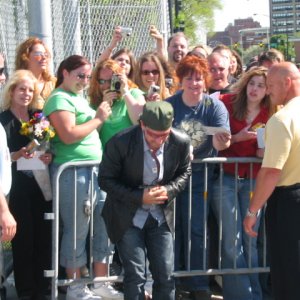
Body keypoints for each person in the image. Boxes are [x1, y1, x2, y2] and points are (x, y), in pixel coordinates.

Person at [44, 55, 121, 300]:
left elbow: (87, 132)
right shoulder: (59, 98)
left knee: (103, 225)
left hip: (95, 169)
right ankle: (75, 287)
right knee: (76, 229)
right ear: (64, 73)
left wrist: (99, 116)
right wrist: (98, 118)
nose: (85, 81)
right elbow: (67, 135)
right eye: (80, 76)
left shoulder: (79, 98)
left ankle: (100, 281)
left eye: (88, 77)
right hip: (73, 172)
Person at [99, 101, 192, 300]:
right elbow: (105, 180)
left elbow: (185, 172)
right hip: (127, 216)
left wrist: (168, 190)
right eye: (152, 135)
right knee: (135, 275)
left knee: (165, 274)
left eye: (164, 135)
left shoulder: (181, 141)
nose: (158, 140)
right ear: (142, 125)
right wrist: (139, 197)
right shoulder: (120, 142)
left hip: (160, 216)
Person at [166, 55, 231, 299]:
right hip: (172, 177)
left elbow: (221, 144)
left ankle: (198, 283)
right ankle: (172, 278)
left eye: (199, 78)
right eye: (189, 78)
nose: (195, 83)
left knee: (196, 228)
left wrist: (221, 141)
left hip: (201, 177)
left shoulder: (215, 106)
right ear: (180, 81)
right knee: (172, 228)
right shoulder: (170, 104)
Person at [211, 67, 275, 300]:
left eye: (261, 85)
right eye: (252, 83)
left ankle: (254, 294)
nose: (255, 89)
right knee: (231, 241)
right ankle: (242, 295)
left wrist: (263, 152)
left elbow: (269, 151)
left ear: (268, 90)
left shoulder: (270, 113)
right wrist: (236, 138)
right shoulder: (228, 103)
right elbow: (210, 108)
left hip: (253, 182)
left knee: (250, 240)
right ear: (245, 84)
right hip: (226, 179)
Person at [243, 62, 300, 300]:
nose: (268, 91)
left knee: (288, 272)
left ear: (287, 82)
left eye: (271, 85)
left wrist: (252, 210)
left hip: (289, 202)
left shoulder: (282, 119)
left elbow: (271, 172)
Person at [0, 69, 52, 300]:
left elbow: (45, 146)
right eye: (22, 89)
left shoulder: (37, 117)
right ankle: (26, 291)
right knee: (23, 240)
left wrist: (47, 156)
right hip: (16, 189)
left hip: (39, 186)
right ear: (11, 91)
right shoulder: (3, 121)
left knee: (43, 237)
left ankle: (43, 288)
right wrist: (16, 155)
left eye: (30, 90)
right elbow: (3, 158)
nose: (26, 94)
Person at [89, 58, 145, 147]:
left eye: (111, 80)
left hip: (130, 155)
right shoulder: (96, 102)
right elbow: (91, 135)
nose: (106, 86)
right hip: (108, 157)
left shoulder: (133, 94)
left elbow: (140, 122)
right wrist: (104, 106)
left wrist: (125, 92)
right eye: (102, 81)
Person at [15, 37, 56, 108]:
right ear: (25, 57)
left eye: (45, 54)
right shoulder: (17, 84)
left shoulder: (54, 83)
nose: (44, 57)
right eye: (38, 54)